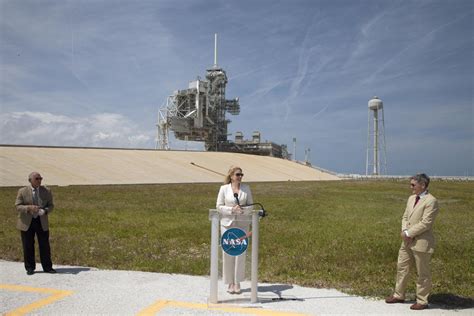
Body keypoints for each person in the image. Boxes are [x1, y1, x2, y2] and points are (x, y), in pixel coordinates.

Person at [385, 173, 439, 310]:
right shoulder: (411, 198)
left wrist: (409, 233)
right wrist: (404, 231)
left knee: (423, 273)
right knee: (402, 267)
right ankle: (399, 295)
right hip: (406, 241)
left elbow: (426, 223)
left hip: (421, 242)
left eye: (413, 185)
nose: (411, 187)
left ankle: (422, 301)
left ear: (423, 185)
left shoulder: (431, 201)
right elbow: (405, 216)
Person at [216, 166, 253, 294]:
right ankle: (229, 282)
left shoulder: (246, 189)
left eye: (241, 174)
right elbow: (219, 206)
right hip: (227, 224)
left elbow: (251, 205)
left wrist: (243, 210)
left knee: (240, 253)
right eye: (238, 174)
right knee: (228, 252)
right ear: (231, 176)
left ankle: (237, 282)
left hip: (242, 224)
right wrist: (231, 209)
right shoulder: (223, 189)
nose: (240, 177)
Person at [15, 172, 56, 275]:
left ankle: (47, 267)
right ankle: (30, 268)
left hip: (41, 221)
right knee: (28, 245)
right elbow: (18, 206)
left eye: (40, 178)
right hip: (26, 222)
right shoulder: (22, 191)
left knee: (45, 245)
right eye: (37, 179)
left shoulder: (46, 191)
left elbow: (51, 205)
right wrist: (29, 208)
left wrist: (45, 211)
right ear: (30, 180)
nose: (39, 180)